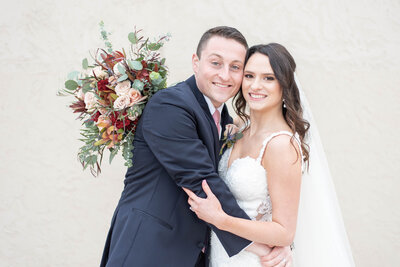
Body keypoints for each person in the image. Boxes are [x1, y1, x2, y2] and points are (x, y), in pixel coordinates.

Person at [100, 27, 292, 267]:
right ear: (196, 62)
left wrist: (277, 235)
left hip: (195, 255)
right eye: (215, 63)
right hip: (149, 249)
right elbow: (201, 181)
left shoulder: (226, 121)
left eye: (235, 67)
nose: (225, 75)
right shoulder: (170, 106)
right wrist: (264, 245)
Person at [183, 43, 355, 266]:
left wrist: (221, 220)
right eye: (249, 75)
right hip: (221, 256)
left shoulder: (281, 144)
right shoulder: (236, 128)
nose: (255, 85)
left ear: (284, 85)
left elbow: (284, 232)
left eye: (268, 78)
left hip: (255, 260)